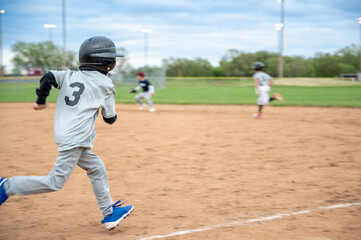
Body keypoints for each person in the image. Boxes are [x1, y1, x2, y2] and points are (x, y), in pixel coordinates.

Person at [0, 36, 133, 231]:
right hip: (76, 139)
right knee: (55, 182)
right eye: (112, 59)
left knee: (97, 168)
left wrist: (40, 101)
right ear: (106, 63)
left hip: (67, 136)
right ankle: (6, 186)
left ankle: (109, 213)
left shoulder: (68, 75)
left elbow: (48, 77)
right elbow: (110, 118)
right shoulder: (106, 84)